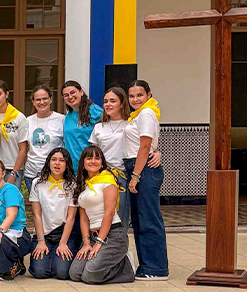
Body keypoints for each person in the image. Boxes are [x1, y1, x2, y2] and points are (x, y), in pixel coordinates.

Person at [69, 146, 135, 285]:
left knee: (90, 275)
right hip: (92, 237)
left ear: (102, 162)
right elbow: (84, 217)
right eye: (89, 158)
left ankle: (126, 266)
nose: (93, 161)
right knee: (75, 274)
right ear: (83, 162)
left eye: (97, 158)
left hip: (112, 235)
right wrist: (87, 242)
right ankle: (110, 261)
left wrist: (99, 241)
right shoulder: (83, 184)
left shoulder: (108, 180)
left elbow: (109, 213)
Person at [124, 80, 168, 281]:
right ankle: (146, 265)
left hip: (143, 170)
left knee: (149, 219)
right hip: (137, 167)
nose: (135, 99)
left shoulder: (147, 113)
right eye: (132, 96)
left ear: (148, 95)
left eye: (139, 95)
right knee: (140, 220)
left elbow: (145, 146)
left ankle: (157, 268)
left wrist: (135, 176)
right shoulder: (138, 115)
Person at [29, 148, 80, 280]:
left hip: (63, 234)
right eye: (54, 160)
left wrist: (63, 243)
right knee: (40, 273)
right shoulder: (37, 183)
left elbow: (71, 217)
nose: (57, 164)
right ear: (48, 162)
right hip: (43, 234)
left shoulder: (72, 184)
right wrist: (40, 241)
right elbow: (37, 215)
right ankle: (46, 258)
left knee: (62, 273)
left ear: (67, 164)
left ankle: (56, 258)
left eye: (61, 160)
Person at [89, 87, 132, 230]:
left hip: (122, 175)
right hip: (102, 176)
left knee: (120, 214)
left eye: (113, 101)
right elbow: (93, 153)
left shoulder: (130, 124)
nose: (108, 104)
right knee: (101, 214)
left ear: (121, 103)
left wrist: (157, 153)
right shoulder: (99, 127)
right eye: (105, 101)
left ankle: (121, 248)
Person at [0, 80, 29, 191]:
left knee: (11, 203)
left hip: (13, 168)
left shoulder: (19, 117)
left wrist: (14, 173)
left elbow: (23, 149)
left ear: (6, 95)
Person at [25, 86, 64, 189]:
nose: (42, 102)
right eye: (38, 99)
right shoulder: (27, 121)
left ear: (51, 99)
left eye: (45, 98)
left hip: (54, 174)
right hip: (31, 175)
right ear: (33, 102)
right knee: (36, 205)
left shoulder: (61, 120)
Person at [61, 80, 102, 169]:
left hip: (91, 165)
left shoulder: (94, 111)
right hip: (72, 166)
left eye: (73, 93)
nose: (70, 97)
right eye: (66, 95)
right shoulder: (68, 116)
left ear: (81, 92)